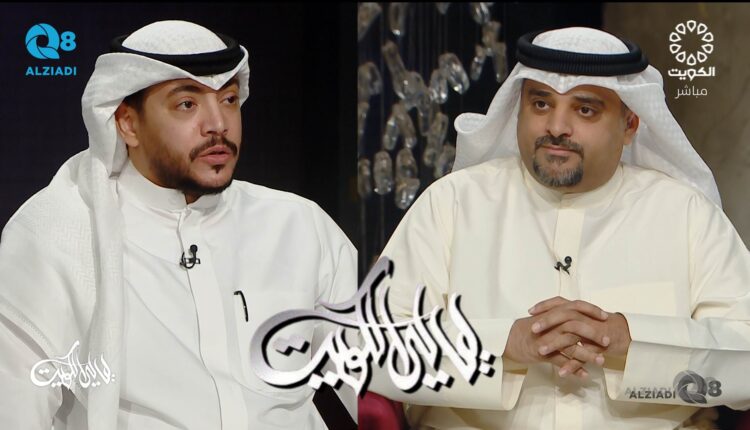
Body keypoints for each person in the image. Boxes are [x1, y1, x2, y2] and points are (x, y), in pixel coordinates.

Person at [368, 27, 750, 429]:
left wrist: (635, 342)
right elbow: (369, 349)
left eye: (585, 110)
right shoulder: (452, 203)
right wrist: (503, 346)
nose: (556, 126)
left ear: (630, 124)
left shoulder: (685, 214)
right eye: (540, 103)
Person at [0, 20, 356, 429]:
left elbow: (371, 381)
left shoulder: (299, 226)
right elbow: (15, 409)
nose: (218, 124)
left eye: (229, 100)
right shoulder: (57, 235)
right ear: (127, 123)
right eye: (187, 104)